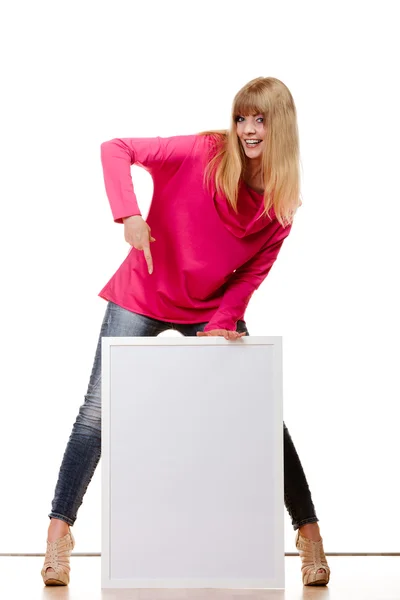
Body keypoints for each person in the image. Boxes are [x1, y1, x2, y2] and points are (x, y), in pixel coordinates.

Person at [41, 76, 330, 587]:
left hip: (210, 308)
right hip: (144, 292)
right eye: (241, 117)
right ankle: (58, 535)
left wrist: (221, 322)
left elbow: (250, 275)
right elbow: (117, 148)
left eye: (259, 118)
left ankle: (308, 533)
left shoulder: (280, 207)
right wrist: (129, 213)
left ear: (280, 124)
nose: (246, 128)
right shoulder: (204, 152)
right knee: (96, 412)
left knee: (261, 412)